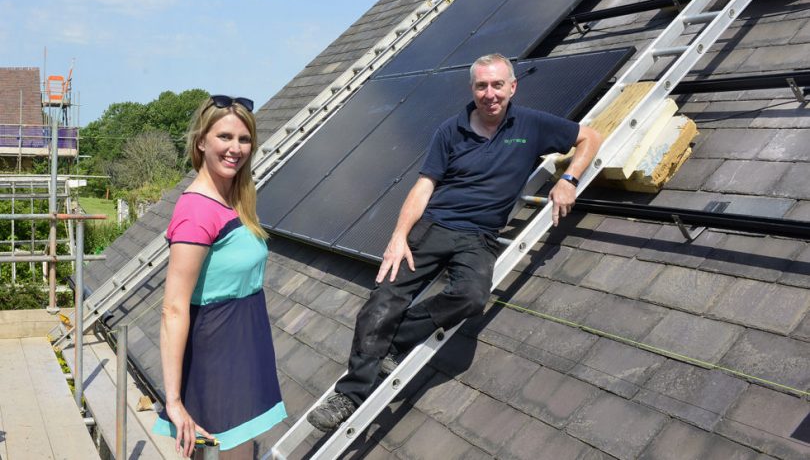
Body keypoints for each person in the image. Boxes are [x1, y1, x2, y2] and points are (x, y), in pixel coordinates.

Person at [307, 54, 602, 431]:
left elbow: (590, 137)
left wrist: (570, 179)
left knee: (472, 296)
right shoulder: (450, 130)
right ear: (472, 89)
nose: (490, 94)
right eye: (482, 86)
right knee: (383, 299)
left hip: (479, 237)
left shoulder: (531, 124)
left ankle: (393, 342)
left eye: (498, 85)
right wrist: (398, 236)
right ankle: (349, 396)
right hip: (435, 227)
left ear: (513, 87)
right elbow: (424, 185)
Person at [153, 95, 286, 458]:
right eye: (224, 137)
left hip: (241, 353)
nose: (235, 148)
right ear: (201, 142)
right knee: (223, 455)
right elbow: (174, 308)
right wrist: (175, 401)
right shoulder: (197, 211)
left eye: (244, 139)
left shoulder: (233, 201)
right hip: (216, 366)